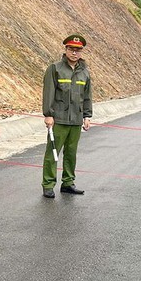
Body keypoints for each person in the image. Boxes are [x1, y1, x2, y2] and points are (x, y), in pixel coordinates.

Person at [41, 34, 92, 198]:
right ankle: (48, 184)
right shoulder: (55, 68)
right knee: (53, 153)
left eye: (78, 50)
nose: (74, 53)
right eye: (71, 49)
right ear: (66, 50)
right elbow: (48, 93)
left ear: (81, 52)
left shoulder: (84, 72)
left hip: (76, 121)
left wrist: (87, 116)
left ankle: (68, 183)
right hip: (59, 119)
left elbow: (87, 96)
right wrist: (48, 114)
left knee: (71, 153)